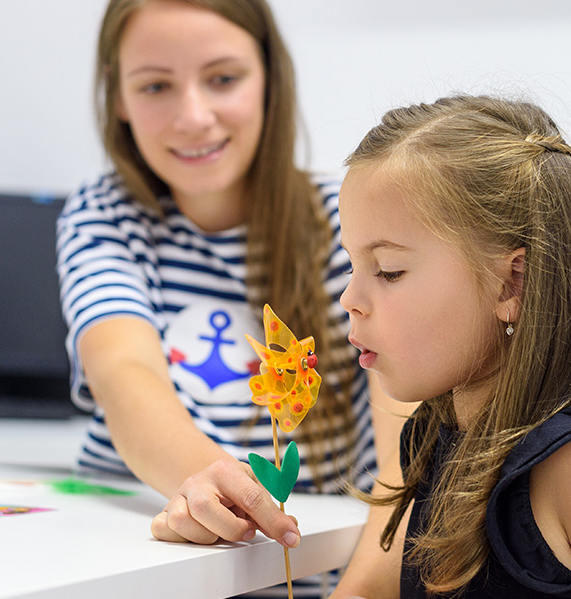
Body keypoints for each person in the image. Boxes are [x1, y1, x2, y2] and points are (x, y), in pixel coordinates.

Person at [56, 1, 407, 595]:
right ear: (118, 97)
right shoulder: (104, 215)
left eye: (222, 78)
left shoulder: (345, 221)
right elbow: (123, 372)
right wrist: (208, 480)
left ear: (270, 78)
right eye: (156, 86)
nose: (194, 117)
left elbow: (404, 463)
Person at [328, 95, 571, 598]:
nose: (349, 298)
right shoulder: (439, 436)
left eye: (388, 271)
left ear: (511, 284)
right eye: (352, 265)